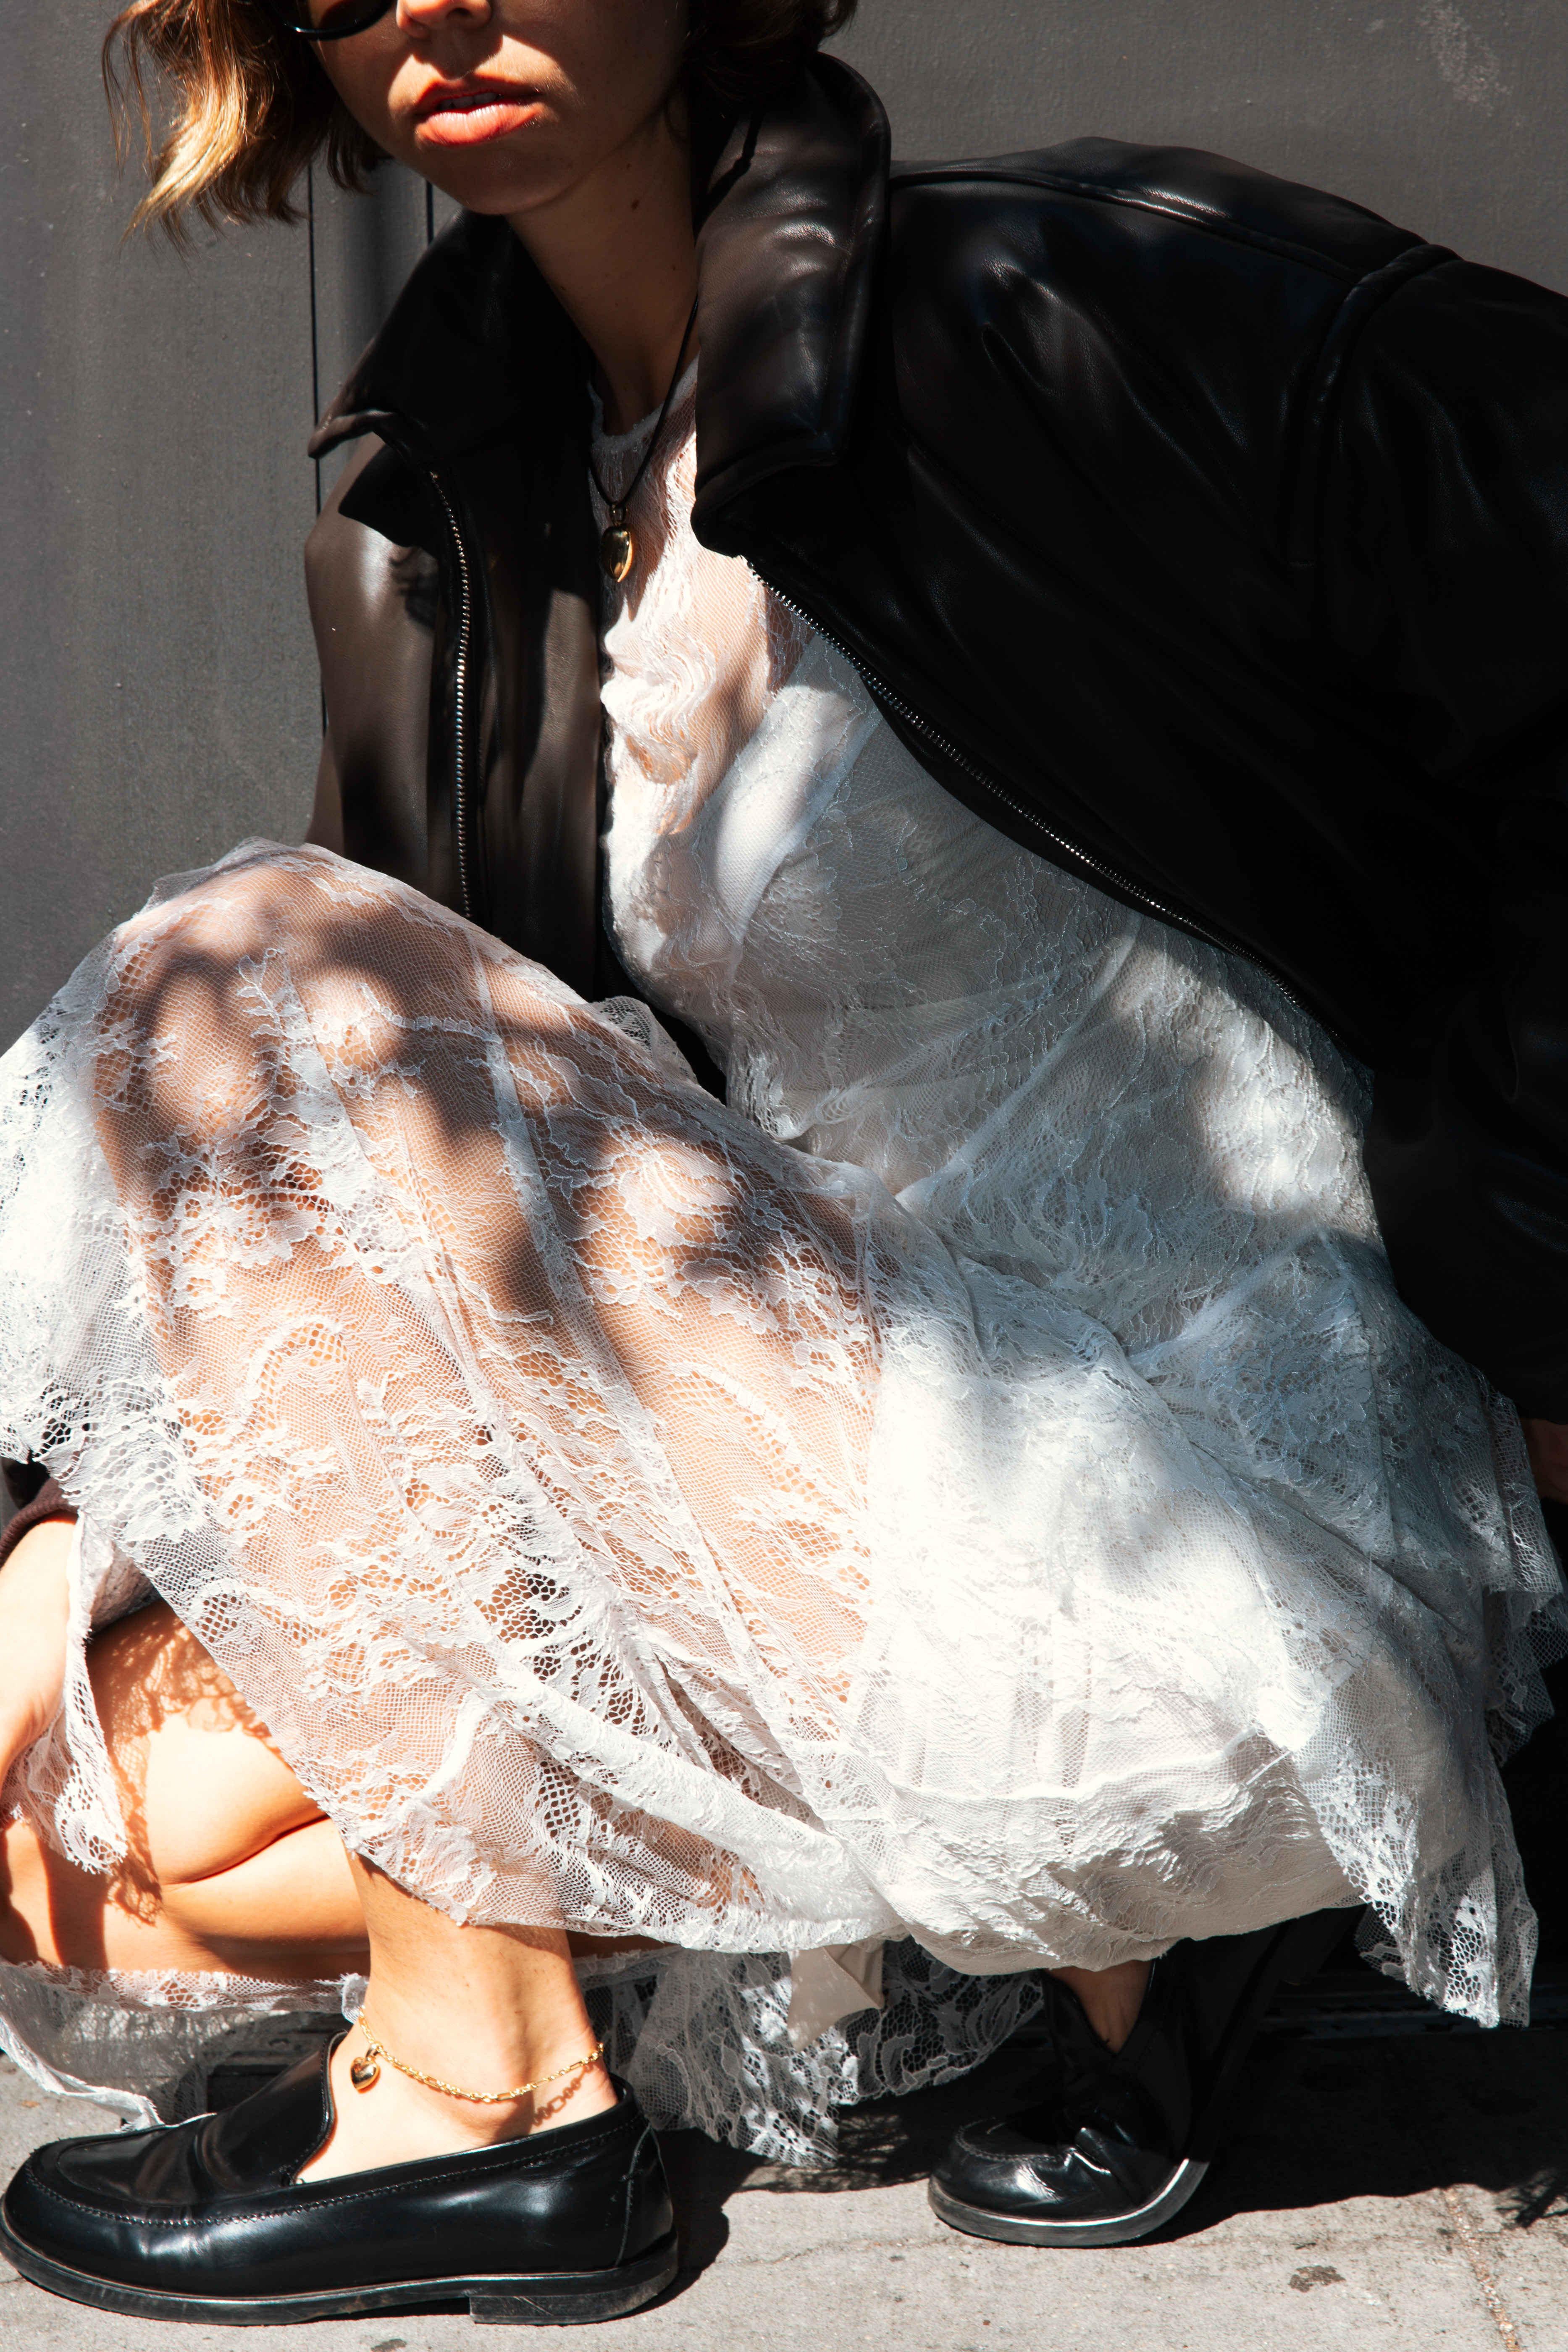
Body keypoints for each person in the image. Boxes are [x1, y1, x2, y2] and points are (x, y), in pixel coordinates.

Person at [0, 0, 1565, 2324]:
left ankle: (492, 2097)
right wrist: (86, 1526)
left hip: (1231, 1521)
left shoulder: (1055, 310)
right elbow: (398, 1255)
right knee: (93, 1820)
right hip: (875, 1483)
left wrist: (1534, 1315)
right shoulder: (465, 508)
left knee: (240, 975)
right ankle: (1053, 1942)